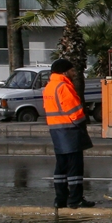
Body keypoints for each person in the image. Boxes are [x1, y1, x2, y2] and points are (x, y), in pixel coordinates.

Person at [43, 58, 95, 208]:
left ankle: (60, 199)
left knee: (61, 166)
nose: (74, 73)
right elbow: (74, 111)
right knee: (75, 167)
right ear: (65, 72)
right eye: (72, 70)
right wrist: (82, 125)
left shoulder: (49, 86)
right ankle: (75, 199)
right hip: (70, 131)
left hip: (56, 130)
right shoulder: (64, 86)